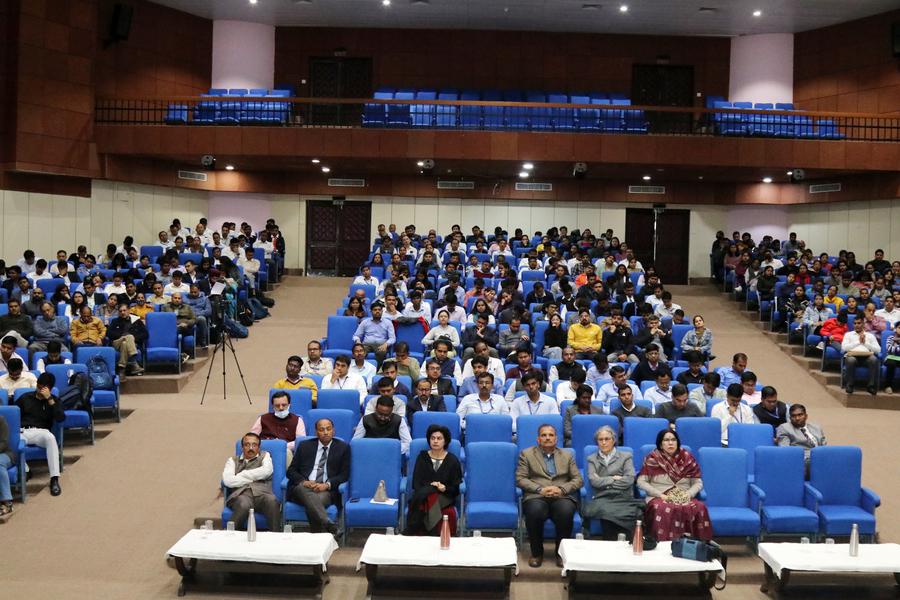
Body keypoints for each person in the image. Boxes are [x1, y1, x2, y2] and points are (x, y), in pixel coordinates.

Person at [516, 424, 583, 568]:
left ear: (556, 439)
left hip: (561, 496)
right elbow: (520, 479)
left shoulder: (567, 455)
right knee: (534, 511)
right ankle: (536, 553)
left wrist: (562, 489)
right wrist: (540, 489)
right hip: (537, 495)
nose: (547, 438)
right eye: (544, 435)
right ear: (538, 439)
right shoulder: (526, 454)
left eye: (551, 435)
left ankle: (560, 554)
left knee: (565, 511)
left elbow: (578, 479)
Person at [637, 429, 711, 541]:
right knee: (662, 508)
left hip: (684, 496)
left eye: (673, 440)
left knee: (699, 507)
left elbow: (698, 482)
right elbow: (641, 482)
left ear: (677, 442)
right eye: (666, 440)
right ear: (660, 444)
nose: (670, 443)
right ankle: (662, 543)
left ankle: (697, 544)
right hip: (659, 496)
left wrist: (688, 494)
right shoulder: (652, 458)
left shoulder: (687, 458)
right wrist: (660, 495)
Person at [286, 418, 350, 535]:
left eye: (328, 429)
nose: (325, 432)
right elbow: (291, 471)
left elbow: (344, 474)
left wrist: (327, 485)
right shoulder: (305, 446)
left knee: (313, 502)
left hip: (325, 491)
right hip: (302, 489)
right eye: (321, 429)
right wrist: (304, 481)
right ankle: (328, 525)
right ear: (316, 432)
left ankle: (317, 536)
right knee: (304, 490)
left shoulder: (343, 448)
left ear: (333, 431)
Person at [583, 425, 643, 540]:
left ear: (614, 440)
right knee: (606, 514)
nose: (603, 442)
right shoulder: (592, 459)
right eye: (600, 439)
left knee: (631, 516)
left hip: (623, 497)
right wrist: (614, 478)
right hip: (603, 497)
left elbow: (629, 480)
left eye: (607, 439)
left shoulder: (626, 457)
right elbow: (594, 482)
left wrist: (604, 480)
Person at [404, 424, 463, 536]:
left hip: (445, 496)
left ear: (445, 441)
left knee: (428, 501)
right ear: (429, 440)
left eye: (439, 438)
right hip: (423, 494)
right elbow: (416, 483)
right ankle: (434, 535)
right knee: (429, 498)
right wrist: (431, 488)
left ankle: (414, 532)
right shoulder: (422, 457)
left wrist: (444, 488)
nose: (435, 441)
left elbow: (455, 488)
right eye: (432, 438)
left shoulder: (452, 460)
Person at [16, 372, 65, 496]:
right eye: (38, 386)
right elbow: (13, 414)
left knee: (51, 438)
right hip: (23, 431)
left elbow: (60, 418)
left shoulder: (54, 400)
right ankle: (26, 470)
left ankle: (54, 479)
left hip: (41, 432)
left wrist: (49, 399)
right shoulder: (25, 398)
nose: (39, 390)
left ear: (49, 388)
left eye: (43, 388)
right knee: (12, 440)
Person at [222, 432, 281, 531]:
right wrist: (255, 477)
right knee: (243, 504)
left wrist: (242, 475)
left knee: (272, 501)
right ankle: (229, 535)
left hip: (262, 494)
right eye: (247, 445)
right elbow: (228, 481)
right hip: (241, 495)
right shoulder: (232, 461)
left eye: (254, 445)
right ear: (242, 447)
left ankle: (275, 536)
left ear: (258, 447)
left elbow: (267, 471)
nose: (251, 448)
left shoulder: (265, 456)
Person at [841, 315, 882, 395]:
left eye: (859, 323)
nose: (857, 325)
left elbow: (878, 350)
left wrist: (865, 343)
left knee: (874, 359)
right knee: (850, 360)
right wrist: (858, 342)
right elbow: (844, 348)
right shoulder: (848, 335)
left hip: (867, 357)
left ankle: (871, 386)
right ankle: (850, 385)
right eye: (855, 323)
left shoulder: (870, 335)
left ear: (863, 324)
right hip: (853, 356)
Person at [106, 303, 147, 376]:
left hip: (133, 344)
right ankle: (133, 362)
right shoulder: (115, 321)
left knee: (125, 343)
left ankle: (121, 369)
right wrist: (122, 336)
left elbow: (145, 334)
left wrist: (133, 338)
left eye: (124, 310)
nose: (122, 312)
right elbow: (109, 333)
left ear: (128, 310)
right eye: (120, 311)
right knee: (128, 337)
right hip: (117, 343)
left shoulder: (136, 321)